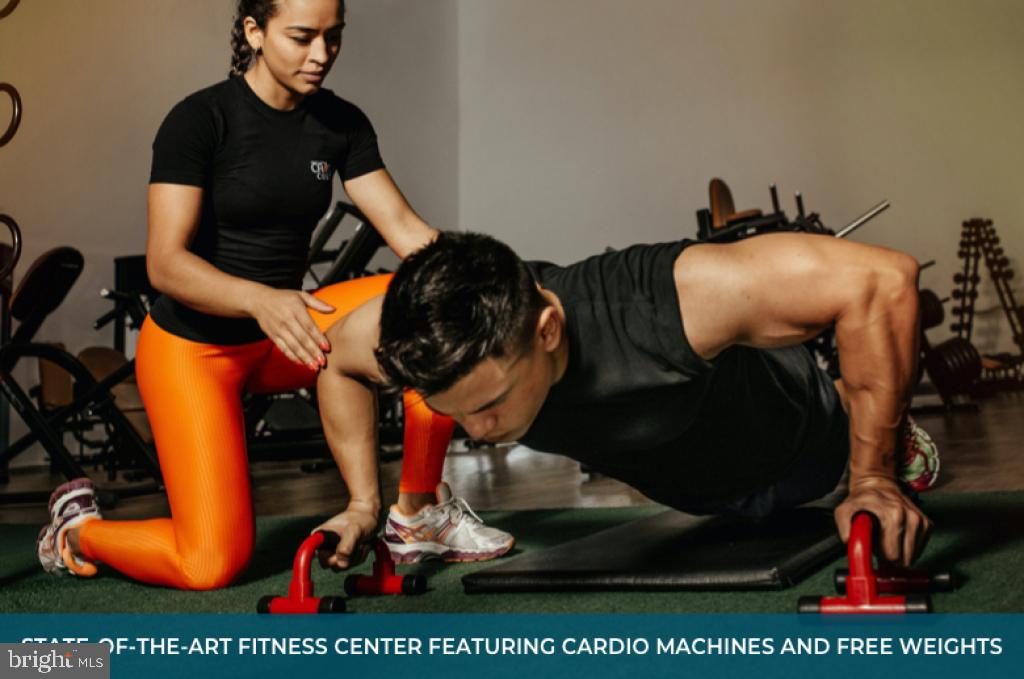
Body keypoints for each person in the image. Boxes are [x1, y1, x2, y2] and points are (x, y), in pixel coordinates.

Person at [36, 0, 512, 589]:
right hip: (196, 350)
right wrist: (261, 298)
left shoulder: (340, 123)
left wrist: (499, 277)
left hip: (290, 334)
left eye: (333, 38)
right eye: (302, 37)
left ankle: (417, 514)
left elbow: (409, 233)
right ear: (254, 31)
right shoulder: (199, 120)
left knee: (430, 304)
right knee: (210, 563)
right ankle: (76, 530)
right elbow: (166, 263)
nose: (321, 55)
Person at [311, 230, 940, 571]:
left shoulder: (665, 300)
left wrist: (874, 479)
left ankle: (885, 431)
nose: (479, 430)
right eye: (456, 411)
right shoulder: (417, 339)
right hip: (697, 494)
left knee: (836, 442)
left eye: (493, 402)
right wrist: (365, 504)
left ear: (548, 329)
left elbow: (882, 280)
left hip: (804, 442)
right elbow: (336, 358)